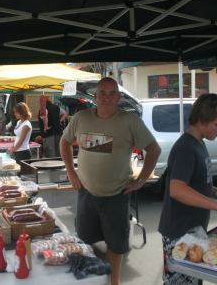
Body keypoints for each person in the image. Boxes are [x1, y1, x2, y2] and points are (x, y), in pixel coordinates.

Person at [60, 77, 161, 285]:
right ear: (94, 97)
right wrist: (71, 172)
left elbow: (154, 150)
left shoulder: (130, 121)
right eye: (102, 93)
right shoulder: (81, 118)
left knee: (116, 245)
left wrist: (141, 180)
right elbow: (64, 142)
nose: (107, 97)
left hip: (117, 195)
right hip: (86, 193)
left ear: (118, 96)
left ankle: (113, 281)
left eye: (112, 93)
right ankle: (89, 279)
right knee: (86, 241)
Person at [158, 93, 217, 285]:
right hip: (179, 231)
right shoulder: (186, 147)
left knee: (194, 280)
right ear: (202, 119)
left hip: (193, 229)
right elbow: (177, 189)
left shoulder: (199, 143)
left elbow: (194, 183)